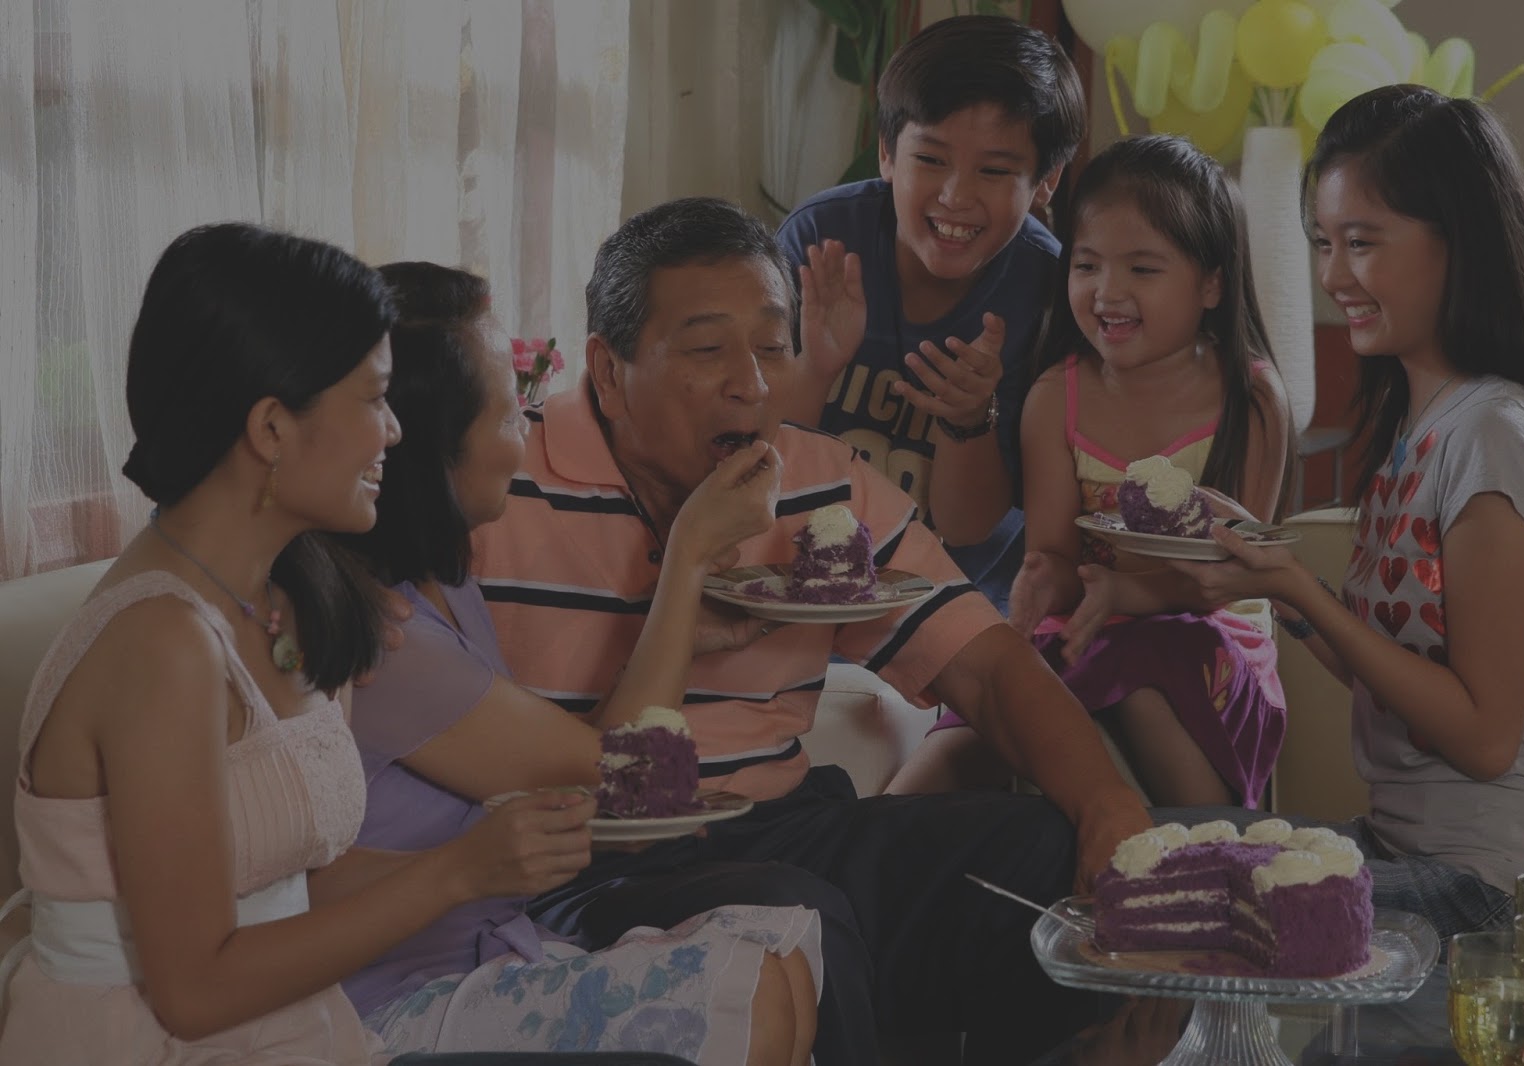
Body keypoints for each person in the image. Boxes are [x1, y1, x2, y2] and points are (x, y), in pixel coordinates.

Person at [471, 196, 1153, 1065]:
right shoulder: (505, 487)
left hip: (776, 827)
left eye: (771, 346)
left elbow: (984, 666)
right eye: (709, 349)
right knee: (792, 910)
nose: (751, 385)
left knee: (1040, 852)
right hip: (579, 865)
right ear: (606, 371)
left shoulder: (821, 484)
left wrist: (1111, 808)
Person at [0, 222, 690, 1066]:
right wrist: (458, 872)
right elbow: (195, 991)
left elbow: (296, 888)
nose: (394, 433)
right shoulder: (163, 644)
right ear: (272, 428)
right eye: (372, 400)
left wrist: (489, 858)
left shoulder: (283, 601)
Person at [338, 260, 818, 1066]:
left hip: (493, 951)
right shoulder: (388, 641)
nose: (527, 429)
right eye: (508, 412)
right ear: (429, 450)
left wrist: (681, 623)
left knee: (789, 952)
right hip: (395, 1003)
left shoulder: (446, 583)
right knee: (758, 976)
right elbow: (632, 779)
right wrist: (690, 554)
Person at [1168, 84, 1524, 944]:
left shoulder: (1494, 435)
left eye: (1361, 244)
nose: (1332, 278)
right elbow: (1399, 674)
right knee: (1170, 869)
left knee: (1198, 920)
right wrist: (1274, 586)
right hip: (1408, 850)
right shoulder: (1417, 428)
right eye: (1325, 243)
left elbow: (1482, 739)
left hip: (1497, 889)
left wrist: (1309, 593)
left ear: (1457, 243)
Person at [891, 135, 1292, 807]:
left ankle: (1218, 853)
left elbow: (1235, 573)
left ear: (1212, 282)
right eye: (1087, 265)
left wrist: (1130, 596)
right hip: (1087, 623)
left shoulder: (1249, 399)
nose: (1108, 293)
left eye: (1143, 269)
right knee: (983, 711)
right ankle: (878, 845)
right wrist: (1040, 582)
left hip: (1208, 633)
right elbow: (1054, 554)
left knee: (1143, 669)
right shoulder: (1059, 395)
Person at [775, 14, 1081, 612]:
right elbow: (762, 467)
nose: (955, 196)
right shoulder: (819, 242)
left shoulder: (1048, 288)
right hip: (799, 582)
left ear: (1045, 181)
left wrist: (969, 419)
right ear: (888, 154)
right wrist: (815, 368)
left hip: (956, 597)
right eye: (931, 159)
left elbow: (969, 529)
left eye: (994, 171)